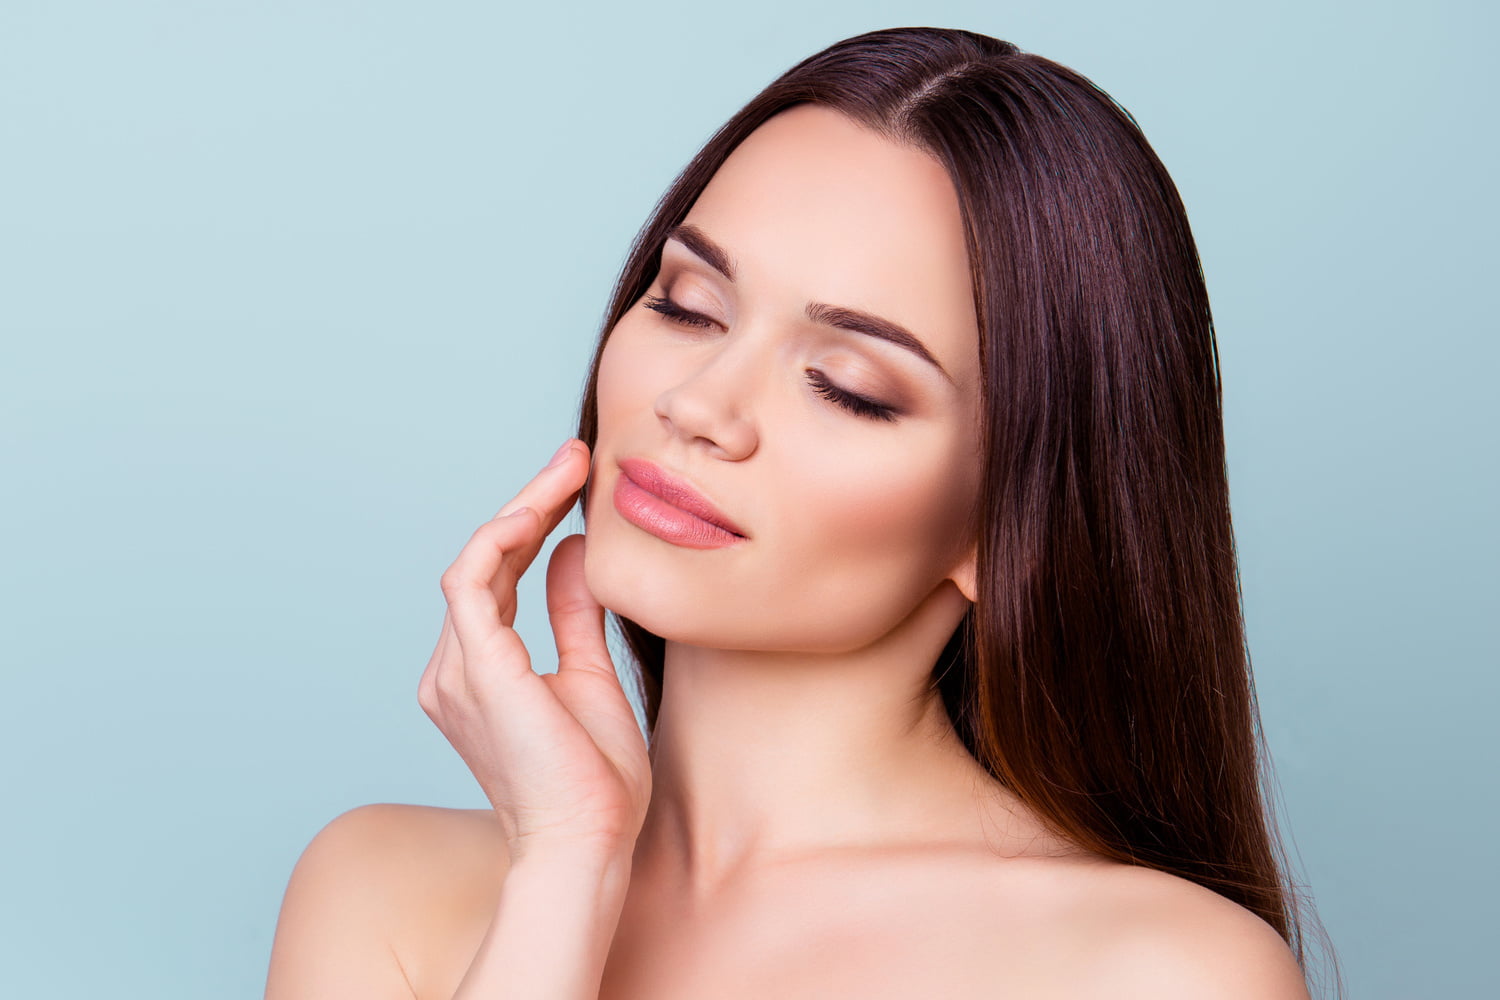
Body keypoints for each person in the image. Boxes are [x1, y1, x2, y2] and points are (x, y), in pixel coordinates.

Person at [264, 27, 1338, 999]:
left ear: (1008, 522)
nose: (698, 406)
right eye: (687, 305)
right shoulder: (380, 891)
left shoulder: (1160, 974)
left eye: (848, 385)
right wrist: (566, 867)